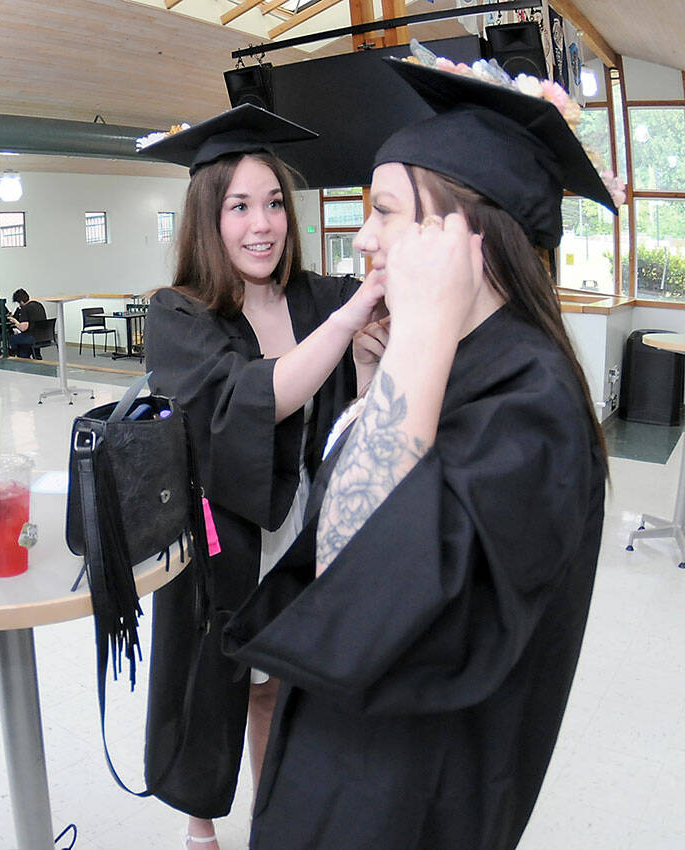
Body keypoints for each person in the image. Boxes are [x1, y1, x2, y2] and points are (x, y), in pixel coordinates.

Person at [221, 52, 612, 850]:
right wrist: (386, 366)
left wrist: (423, 333)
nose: (362, 236)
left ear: (465, 233)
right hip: (345, 757)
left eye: (386, 211)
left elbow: (354, 563)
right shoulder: (462, 358)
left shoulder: (535, 406)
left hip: (406, 801)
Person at [137, 104, 384, 849]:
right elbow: (251, 399)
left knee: (279, 684)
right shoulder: (180, 313)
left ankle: (272, 822)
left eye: (274, 203)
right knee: (211, 684)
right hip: (223, 536)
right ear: (208, 218)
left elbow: (358, 415)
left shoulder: (315, 297)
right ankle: (200, 826)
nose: (262, 224)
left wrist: (366, 355)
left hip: (305, 528)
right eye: (239, 206)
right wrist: (347, 328)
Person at [8, 287, 47, 358]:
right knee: (23, 347)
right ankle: (31, 355)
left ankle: (16, 355)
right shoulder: (39, 304)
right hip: (43, 336)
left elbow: (23, 328)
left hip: (32, 337)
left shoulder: (25, 308)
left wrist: (15, 321)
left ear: (21, 302)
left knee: (12, 338)